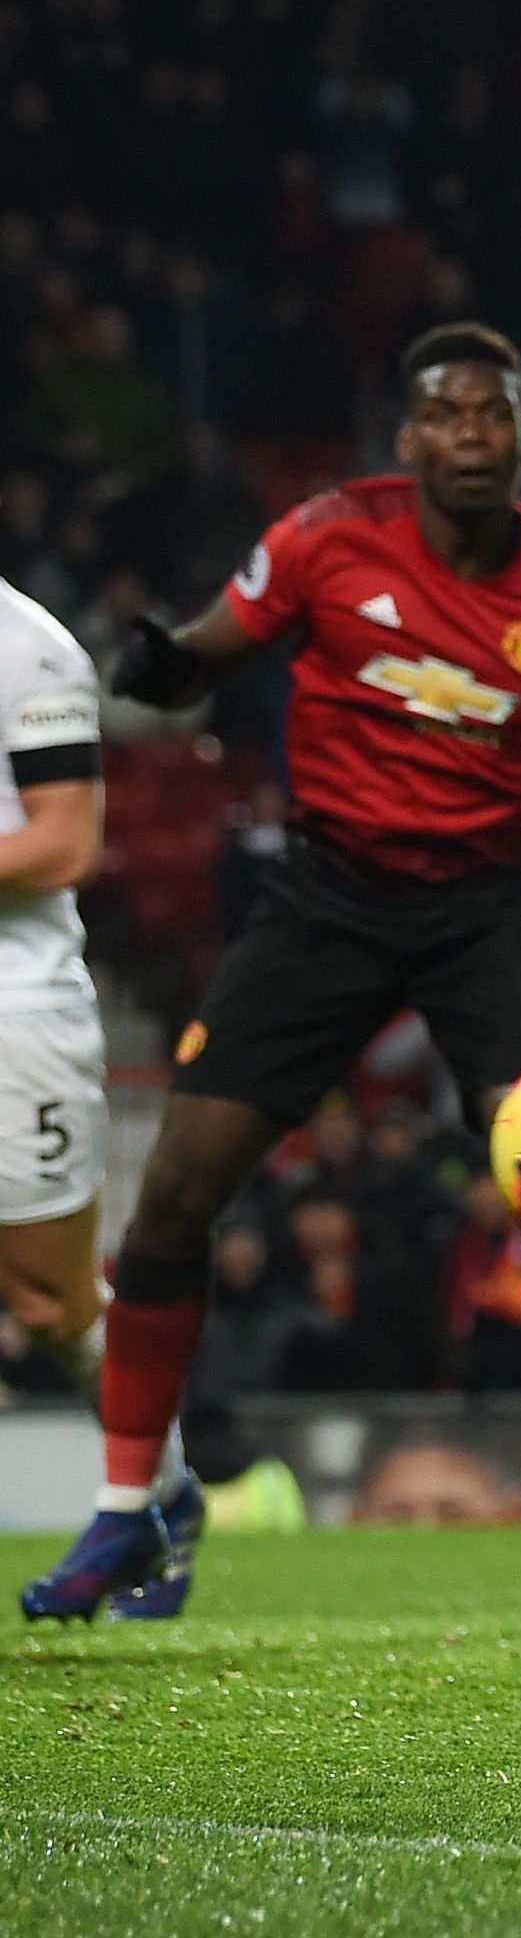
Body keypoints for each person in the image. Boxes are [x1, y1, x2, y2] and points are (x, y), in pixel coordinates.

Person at [23, 324, 521, 1631]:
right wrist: (172, 665)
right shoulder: (326, 538)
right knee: (174, 1194)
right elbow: (219, 641)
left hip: (494, 910)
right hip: (325, 899)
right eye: (445, 414)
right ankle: (134, 1512)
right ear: (408, 438)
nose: (469, 434)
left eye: (492, 414)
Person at [0, 573, 110, 1466]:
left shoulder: (31, 650)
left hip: (16, 1008)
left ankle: (160, 1488)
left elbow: (65, 840)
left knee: (52, 1309)